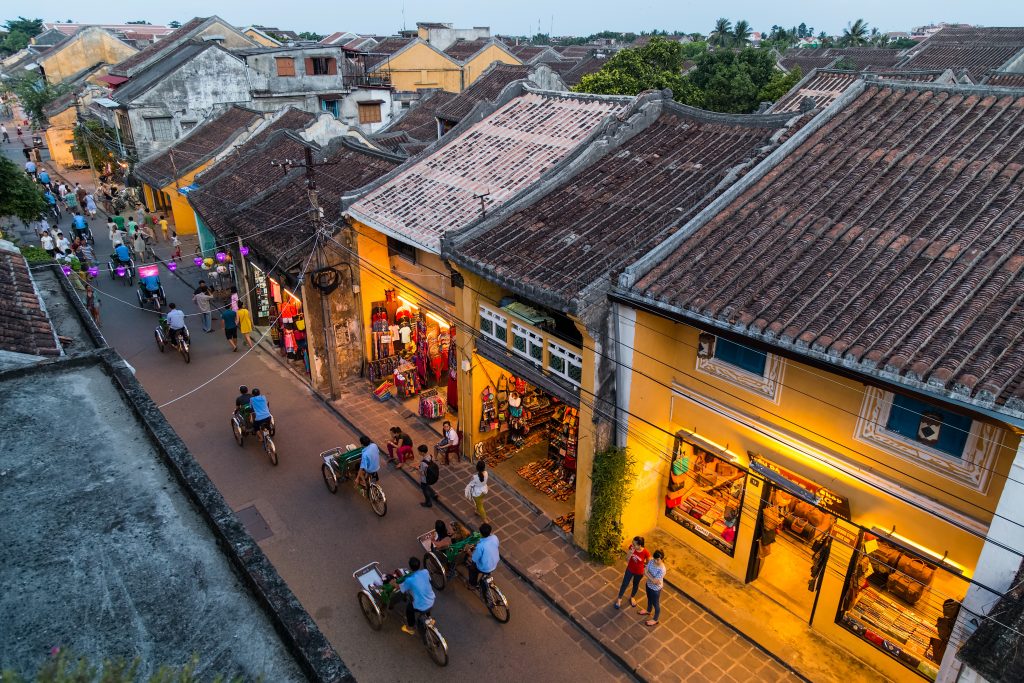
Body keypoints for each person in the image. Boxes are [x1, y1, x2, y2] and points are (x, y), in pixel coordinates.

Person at [397, 556, 435, 636]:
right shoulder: (425, 572)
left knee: (409, 609)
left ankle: (410, 628)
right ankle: (430, 618)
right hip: (431, 600)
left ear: (410, 567)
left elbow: (401, 589)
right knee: (425, 597)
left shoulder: (409, 580)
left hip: (421, 606)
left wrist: (394, 583)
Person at [614, 536, 652, 609]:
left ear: (640, 545)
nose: (632, 545)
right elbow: (627, 559)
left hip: (639, 572)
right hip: (630, 569)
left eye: (634, 544)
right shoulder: (632, 548)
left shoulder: (645, 552)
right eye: (632, 543)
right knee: (625, 583)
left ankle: (632, 597)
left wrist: (644, 567)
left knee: (635, 584)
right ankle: (619, 599)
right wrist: (630, 553)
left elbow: (648, 562)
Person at [637, 549, 666, 627]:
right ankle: (648, 610)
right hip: (648, 585)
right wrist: (652, 578)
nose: (656, 561)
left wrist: (648, 574)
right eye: (655, 559)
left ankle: (655, 619)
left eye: (658, 559)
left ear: (662, 559)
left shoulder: (662, 570)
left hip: (656, 589)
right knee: (649, 599)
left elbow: (654, 581)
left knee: (656, 604)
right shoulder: (651, 561)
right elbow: (644, 571)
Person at [468, 523, 499, 588]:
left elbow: (474, 558)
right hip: (495, 563)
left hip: (485, 567)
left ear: (481, 533)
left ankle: (472, 584)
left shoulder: (480, 546)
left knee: (472, 569)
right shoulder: (495, 537)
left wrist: (468, 551)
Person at [465, 459, 489, 523]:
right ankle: (477, 511)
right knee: (480, 502)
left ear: (477, 468)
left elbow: (471, 484)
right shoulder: (486, 473)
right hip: (484, 491)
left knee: (480, 506)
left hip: (477, 493)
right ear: (484, 467)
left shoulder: (474, 477)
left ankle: (485, 519)